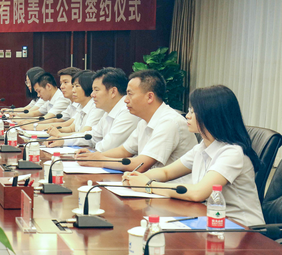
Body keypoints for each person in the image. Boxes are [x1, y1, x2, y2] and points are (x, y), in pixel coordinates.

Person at [123, 85, 265, 227]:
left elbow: (198, 193)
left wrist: (148, 185)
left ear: (211, 115)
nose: (187, 115)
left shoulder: (232, 153)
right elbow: (166, 172)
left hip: (240, 228)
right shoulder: (202, 147)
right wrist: (137, 177)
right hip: (211, 220)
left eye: (193, 111)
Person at [75, 70, 197, 171]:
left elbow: (141, 164)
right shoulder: (144, 121)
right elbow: (124, 150)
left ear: (150, 97)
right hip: (151, 184)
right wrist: (95, 156)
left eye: (130, 94)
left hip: (172, 187)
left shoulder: (169, 122)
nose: (125, 100)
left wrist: (101, 161)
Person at [47, 67, 139, 152]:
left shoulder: (128, 112)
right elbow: (92, 137)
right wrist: (63, 140)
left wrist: (89, 151)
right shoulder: (108, 112)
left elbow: (107, 146)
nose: (92, 94)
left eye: (96, 90)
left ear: (113, 92)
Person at [44, 70, 104, 137]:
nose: (73, 90)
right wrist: (55, 129)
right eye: (73, 87)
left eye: (77, 86)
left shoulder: (97, 107)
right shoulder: (81, 106)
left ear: (87, 86)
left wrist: (59, 135)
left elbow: (84, 133)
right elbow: (71, 128)